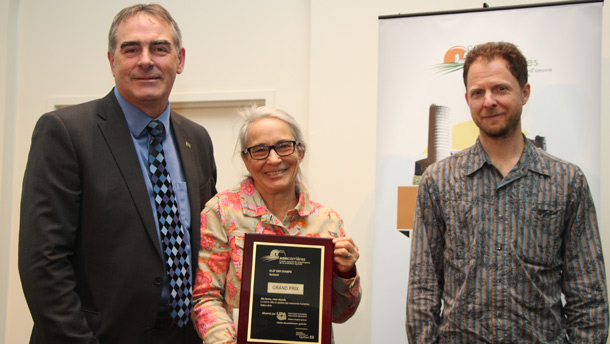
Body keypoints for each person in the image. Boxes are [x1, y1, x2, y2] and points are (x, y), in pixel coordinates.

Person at [18, 4, 217, 343]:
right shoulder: (66, 132)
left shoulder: (195, 138)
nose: (145, 60)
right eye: (130, 49)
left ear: (179, 60)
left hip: (185, 336)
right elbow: (43, 263)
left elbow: (212, 246)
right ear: (112, 61)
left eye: (159, 48)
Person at [406, 41, 609, 343]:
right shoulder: (439, 180)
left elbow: (588, 298)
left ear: (524, 92)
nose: (488, 101)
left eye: (500, 89)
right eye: (478, 92)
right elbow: (422, 289)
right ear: (467, 98)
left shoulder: (567, 181)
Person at [191, 106, 361, 343]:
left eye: (283, 146)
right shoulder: (221, 212)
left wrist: (346, 272)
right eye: (260, 150)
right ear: (246, 159)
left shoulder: (327, 220)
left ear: (300, 152)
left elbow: (342, 313)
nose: (273, 159)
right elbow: (205, 297)